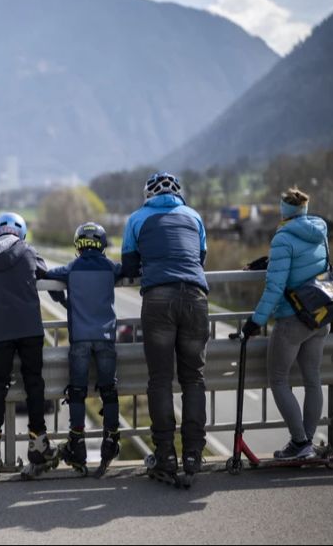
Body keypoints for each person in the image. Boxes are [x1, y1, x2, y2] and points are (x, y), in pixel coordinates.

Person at [121, 171, 209, 485]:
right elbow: (200, 258)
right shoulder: (194, 216)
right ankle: (194, 455)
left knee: (160, 379)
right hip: (196, 298)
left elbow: (129, 266)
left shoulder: (137, 219)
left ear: (148, 195)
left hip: (158, 298)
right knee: (193, 378)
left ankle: (165, 455)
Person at [0, 212, 58, 478]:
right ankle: (39, 444)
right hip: (30, 328)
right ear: (22, 233)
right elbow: (44, 272)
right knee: (34, 383)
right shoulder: (29, 252)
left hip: (1, 331)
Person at [240, 187, 330, 460]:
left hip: (292, 319)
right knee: (312, 379)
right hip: (320, 314)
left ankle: (299, 442)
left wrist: (255, 321)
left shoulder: (283, 237)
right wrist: (270, 262)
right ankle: (308, 443)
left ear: (284, 210)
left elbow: (275, 287)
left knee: (278, 379)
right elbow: (308, 262)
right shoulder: (319, 229)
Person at [45, 222, 125, 477]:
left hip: (79, 338)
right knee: (109, 390)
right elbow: (129, 270)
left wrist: (62, 299)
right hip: (105, 337)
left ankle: (76, 444)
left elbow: (47, 276)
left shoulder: (71, 269)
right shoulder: (111, 267)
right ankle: (111, 440)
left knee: (77, 391)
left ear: (78, 244)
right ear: (102, 244)